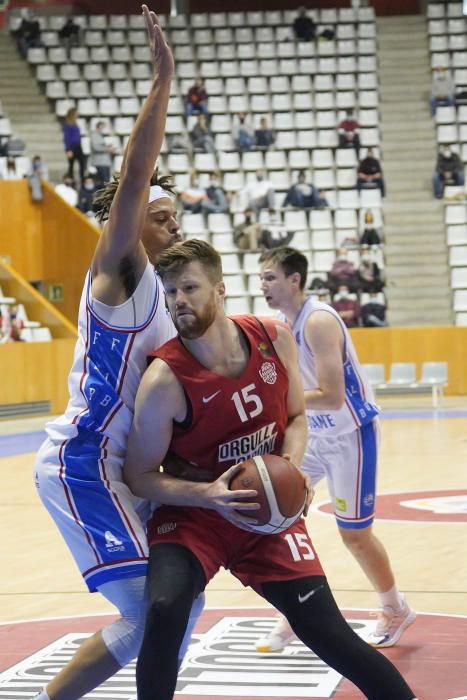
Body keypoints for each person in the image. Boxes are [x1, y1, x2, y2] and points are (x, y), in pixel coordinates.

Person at [123, 238, 419, 700]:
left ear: (219, 289)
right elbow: (139, 475)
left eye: (189, 287)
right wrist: (208, 495)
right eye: (171, 292)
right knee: (163, 607)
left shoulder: (273, 337)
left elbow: (297, 417)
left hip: (268, 520)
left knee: (330, 634)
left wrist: (289, 466)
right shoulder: (164, 379)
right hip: (196, 517)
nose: (178, 300)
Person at [32, 9, 203, 700]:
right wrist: (162, 81)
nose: (174, 224)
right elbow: (134, 179)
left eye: (175, 216)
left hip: (121, 466)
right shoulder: (119, 274)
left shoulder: (165, 297)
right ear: (133, 224)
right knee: (151, 615)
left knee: (172, 612)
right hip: (84, 461)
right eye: (162, 216)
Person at [257, 247, 415, 651]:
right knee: (280, 515)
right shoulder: (277, 324)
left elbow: (330, 395)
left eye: (271, 277)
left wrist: (279, 399)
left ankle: (395, 608)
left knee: (355, 536)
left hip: (349, 435)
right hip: (314, 434)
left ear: (295, 280)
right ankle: (297, 608)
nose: (263, 285)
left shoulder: (319, 321)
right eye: (261, 277)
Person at [63, 107, 86, 184]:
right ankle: (71, 182)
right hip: (72, 148)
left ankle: (83, 182)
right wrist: (68, 149)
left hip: (78, 146)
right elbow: (67, 138)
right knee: (71, 166)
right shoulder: (68, 125)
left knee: (82, 165)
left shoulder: (75, 124)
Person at [90, 120, 116, 186]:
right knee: (104, 182)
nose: (104, 129)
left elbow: (99, 146)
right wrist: (107, 149)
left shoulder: (99, 135)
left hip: (104, 162)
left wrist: (107, 146)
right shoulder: (95, 135)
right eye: (103, 127)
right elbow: (96, 147)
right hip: (100, 162)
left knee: (106, 181)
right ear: (99, 126)